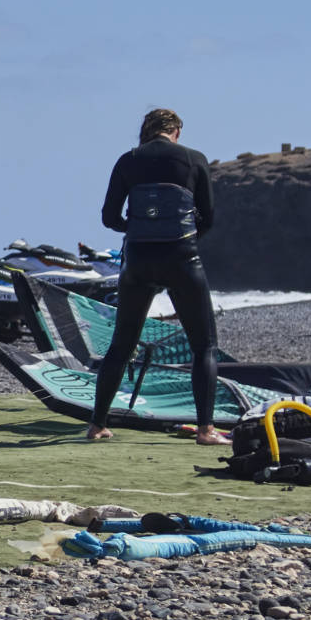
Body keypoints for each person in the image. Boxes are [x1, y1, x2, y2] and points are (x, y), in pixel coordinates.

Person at [88, 108, 228, 446]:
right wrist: (183, 240)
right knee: (204, 345)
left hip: (138, 259)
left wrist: (136, 230)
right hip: (181, 257)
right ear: (176, 130)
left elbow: (109, 217)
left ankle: (97, 425)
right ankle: (206, 430)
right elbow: (208, 218)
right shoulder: (194, 160)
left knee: (121, 345)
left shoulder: (128, 160)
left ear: (146, 131)